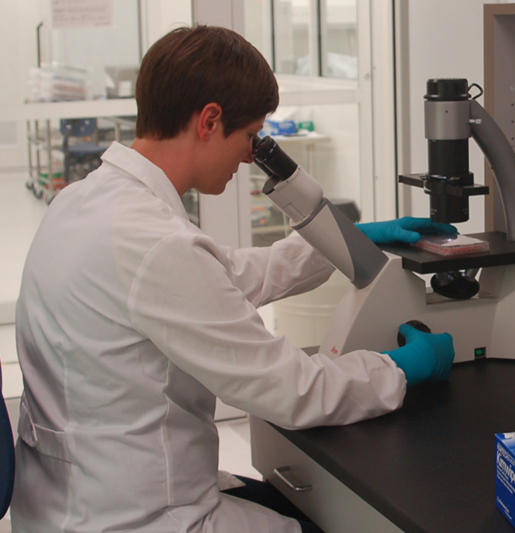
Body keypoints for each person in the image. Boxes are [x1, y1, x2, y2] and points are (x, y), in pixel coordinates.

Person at [12, 25, 455, 533]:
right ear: (209, 121)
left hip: (67, 500)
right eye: (250, 137)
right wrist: (398, 368)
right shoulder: (156, 245)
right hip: (135, 518)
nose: (250, 155)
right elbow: (294, 391)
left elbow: (223, 279)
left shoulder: (82, 202)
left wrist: (349, 239)